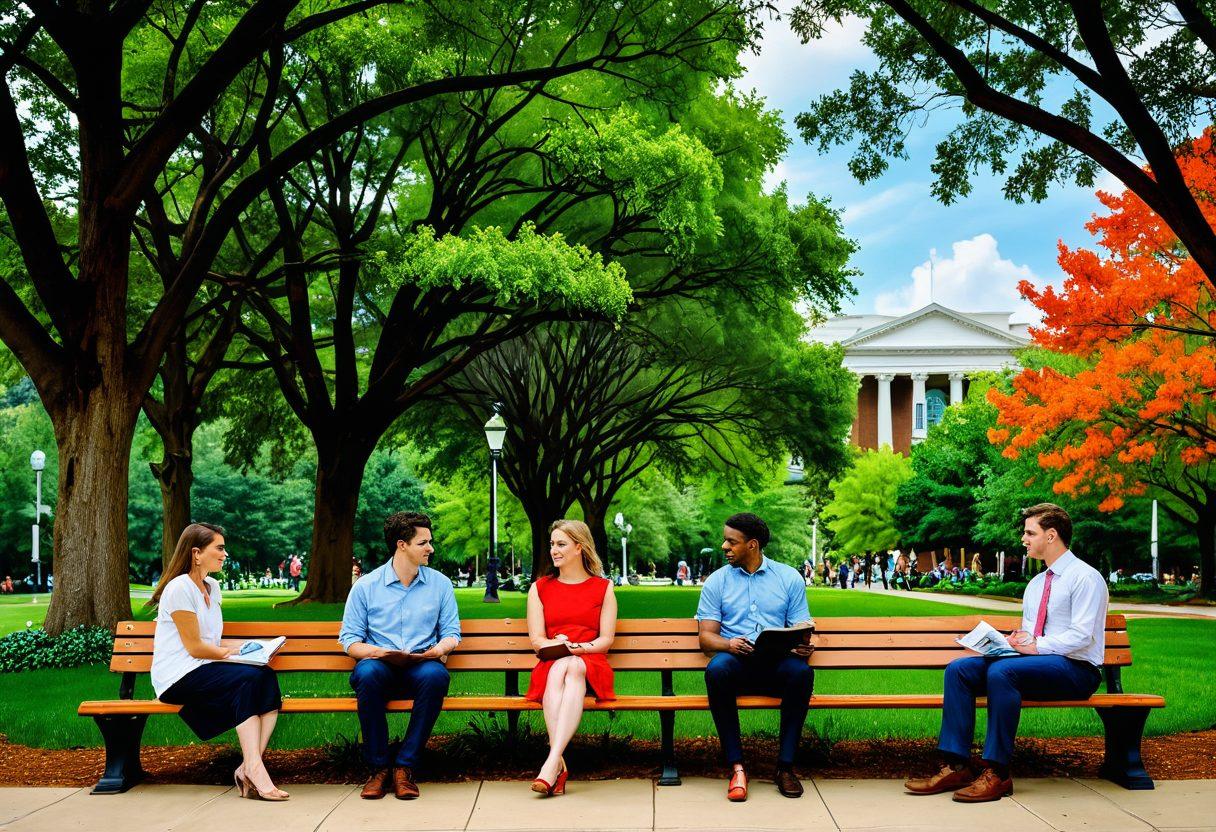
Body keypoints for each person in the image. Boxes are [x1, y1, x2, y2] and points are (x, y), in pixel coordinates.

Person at [904, 503, 1107, 803]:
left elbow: (1081, 636)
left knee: (1003, 672)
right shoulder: (1037, 584)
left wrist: (1035, 646)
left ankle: (998, 772)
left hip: (1077, 671)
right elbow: (1032, 634)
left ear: (1051, 536)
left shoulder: (1085, 578)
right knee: (959, 670)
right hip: (1036, 665)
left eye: (1029, 532)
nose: (1023, 539)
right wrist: (1012, 642)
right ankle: (957, 765)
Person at [149, 523, 287, 801]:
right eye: (219, 548)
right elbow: (195, 647)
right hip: (178, 676)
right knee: (248, 679)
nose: (225, 554)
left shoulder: (212, 586)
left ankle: (250, 765)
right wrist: (236, 656)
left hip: (204, 668)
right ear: (197, 553)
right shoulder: (179, 589)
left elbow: (214, 640)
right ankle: (255, 768)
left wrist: (258, 648)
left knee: (265, 676)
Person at [697, 513, 816, 802]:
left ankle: (785, 767)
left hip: (776, 664)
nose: (724, 546)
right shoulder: (717, 581)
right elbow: (706, 638)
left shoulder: (788, 578)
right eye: (725, 539)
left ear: (752, 545)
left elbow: (802, 624)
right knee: (716, 669)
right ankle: (737, 767)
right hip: (737, 665)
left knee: (801, 673)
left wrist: (804, 644)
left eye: (731, 541)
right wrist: (729, 644)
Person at [340, 512, 460, 800]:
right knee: (367, 673)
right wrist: (378, 652)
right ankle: (378, 769)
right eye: (423, 543)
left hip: (421, 667)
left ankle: (405, 767)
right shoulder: (366, 587)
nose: (430, 548)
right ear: (401, 545)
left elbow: (452, 632)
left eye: (430, 542)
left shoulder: (440, 584)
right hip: (380, 667)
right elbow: (349, 641)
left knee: (436, 676)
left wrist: (439, 650)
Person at [525, 519, 617, 796]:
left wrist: (579, 647)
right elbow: (537, 641)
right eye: (552, 544)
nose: (554, 550)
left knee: (574, 665)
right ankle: (556, 765)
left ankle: (552, 763)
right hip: (551, 663)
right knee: (565, 665)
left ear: (579, 547)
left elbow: (605, 640)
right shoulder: (539, 588)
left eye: (561, 544)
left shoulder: (604, 587)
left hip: (590, 662)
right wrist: (557, 643)